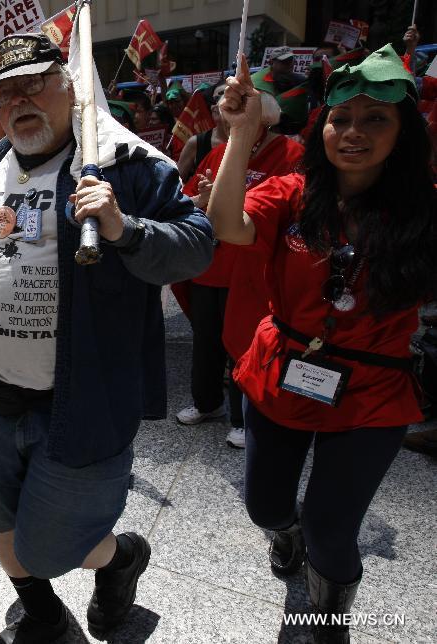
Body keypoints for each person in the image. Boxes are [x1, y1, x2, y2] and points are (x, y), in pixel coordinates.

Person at [0, 33, 214, 642]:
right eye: (1, 94)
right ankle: (43, 615)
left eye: (33, 84)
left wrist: (125, 228)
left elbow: (197, 246)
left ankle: (119, 559)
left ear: (70, 85)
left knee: (48, 548)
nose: (18, 101)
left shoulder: (128, 165)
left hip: (82, 403)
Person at [207, 48, 436, 643]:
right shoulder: (292, 191)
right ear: (322, 126)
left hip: (373, 391)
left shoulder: (427, 209)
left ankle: (328, 615)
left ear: (403, 130)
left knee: (332, 528)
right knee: (265, 507)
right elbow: (226, 224)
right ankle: (286, 538)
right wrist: (243, 132)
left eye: (375, 119)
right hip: (285, 368)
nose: (354, 132)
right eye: (341, 118)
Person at [177, 71, 304, 449]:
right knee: (206, 340)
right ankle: (207, 402)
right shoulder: (220, 151)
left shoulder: (291, 155)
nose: (227, 116)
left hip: (252, 270)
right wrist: (200, 200)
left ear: (264, 116)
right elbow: (189, 197)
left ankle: (241, 415)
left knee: (245, 341)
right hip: (210, 266)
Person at [178, 83, 227, 181]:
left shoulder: (251, 139)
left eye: (224, 97)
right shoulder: (196, 143)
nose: (216, 105)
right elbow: (176, 183)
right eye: (214, 100)